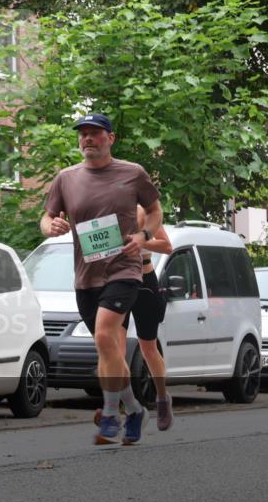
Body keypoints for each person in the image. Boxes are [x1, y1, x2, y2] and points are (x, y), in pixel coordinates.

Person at [40, 113, 163, 445]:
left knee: (106, 335)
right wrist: (50, 227)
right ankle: (135, 409)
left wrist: (143, 235)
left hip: (124, 270)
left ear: (111, 138)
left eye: (95, 133)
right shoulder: (65, 179)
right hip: (86, 276)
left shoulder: (132, 173)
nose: (88, 139)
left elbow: (154, 210)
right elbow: (47, 216)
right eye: (83, 135)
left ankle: (110, 414)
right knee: (107, 348)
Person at [92, 204, 174, 431]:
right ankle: (115, 407)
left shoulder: (145, 213)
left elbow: (167, 246)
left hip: (144, 283)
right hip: (117, 283)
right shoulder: (106, 215)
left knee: (148, 348)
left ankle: (162, 398)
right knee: (114, 350)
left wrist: (138, 242)